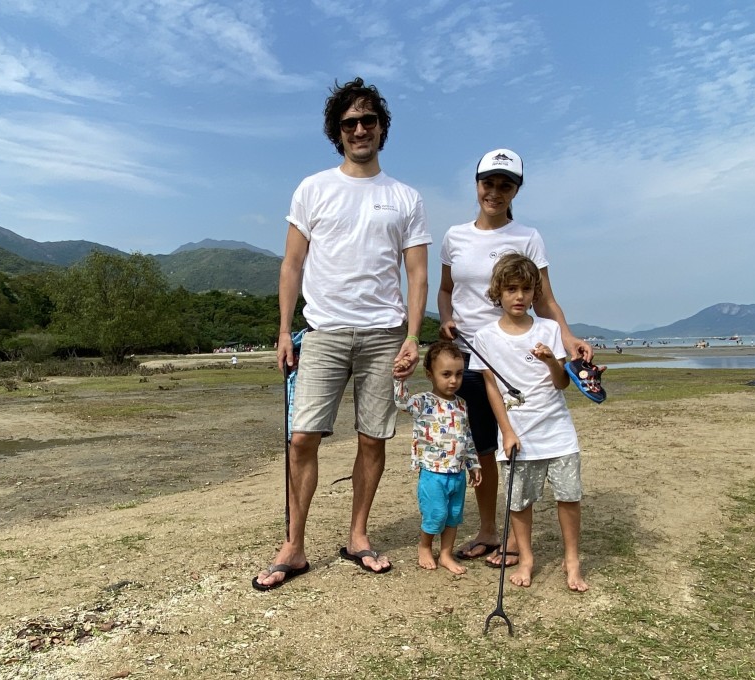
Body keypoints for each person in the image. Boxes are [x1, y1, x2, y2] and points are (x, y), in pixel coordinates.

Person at [253, 77, 431, 590]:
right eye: (349, 122)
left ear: (381, 128)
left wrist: (412, 337)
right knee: (302, 437)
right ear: (337, 131)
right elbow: (292, 264)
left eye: (368, 120)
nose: (359, 129)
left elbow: (417, 274)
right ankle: (294, 545)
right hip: (324, 331)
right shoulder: (313, 188)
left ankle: (358, 536)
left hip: (383, 333)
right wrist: (285, 331)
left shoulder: (405, 197)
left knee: (373, 438)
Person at [437, 148, 592, 566]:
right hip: (470, 356)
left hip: (515, 362)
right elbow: (447, 290)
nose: (495, 192)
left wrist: (568, 335)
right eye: (488, 182)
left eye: (506, 185)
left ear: (516, 190)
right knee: (483, 446)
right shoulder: (454, 236)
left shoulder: (528, 237)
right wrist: (446, 318)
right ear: (476, 184)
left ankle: (508, 537)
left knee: (512, 446)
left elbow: (545, 299)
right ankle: (489, 529)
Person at [471, 253, 588, 591]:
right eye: (511, 289)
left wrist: (553, 361)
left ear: (535, 292)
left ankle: (572, 561)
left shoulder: (549, 329)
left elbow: (563, 383)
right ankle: (525, 558)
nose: (519, 296)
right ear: (498, 293)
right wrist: (506, 430)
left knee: (568, 496)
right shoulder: (485, 337)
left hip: (557, 428)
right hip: (517, 433)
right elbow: (491, 388)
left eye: (525, 289)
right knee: (520, 500)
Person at [394, 341, 482, 574]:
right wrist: (400, 379)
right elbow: (401, 403)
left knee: (453, 516)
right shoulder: (424, 402)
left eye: (459, 374)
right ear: (430, 374)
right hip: (433, 473)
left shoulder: (462, 404)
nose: (453, 380)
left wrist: (474, 464)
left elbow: (467, 437)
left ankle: (445, 553)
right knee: (436, 513)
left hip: (458, 473)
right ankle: (425, 546)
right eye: (446, 374)